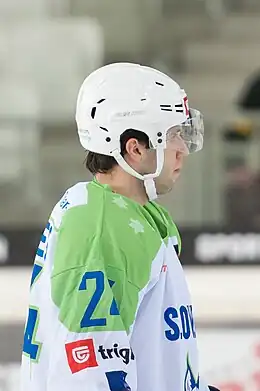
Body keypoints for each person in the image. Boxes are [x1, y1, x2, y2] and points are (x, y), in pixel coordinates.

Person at [20, 63, 214, 391]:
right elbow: (87, 375)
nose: (182, 148)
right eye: (172, 135)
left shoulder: (128, 216)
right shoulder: (102, 229)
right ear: (135, 148)